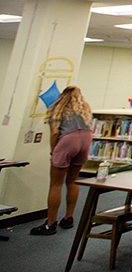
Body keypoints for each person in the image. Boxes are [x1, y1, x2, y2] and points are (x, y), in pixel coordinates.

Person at [31, 85, 93, 235]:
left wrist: (54, 152)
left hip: (68, 141)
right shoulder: (84, 109)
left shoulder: (57, 108)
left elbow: (54, 132)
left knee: (56, 184)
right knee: (72, 181)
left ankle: (50, 223)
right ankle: (68, 218)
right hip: (85, 140)